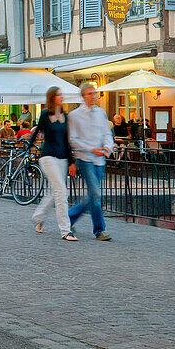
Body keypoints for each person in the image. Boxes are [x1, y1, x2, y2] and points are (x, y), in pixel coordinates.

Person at [26, 87, 76, 241]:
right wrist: (28, 148)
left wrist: (71, 162)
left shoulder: (66, 117)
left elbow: (67, 141)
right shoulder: (45, 114)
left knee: (54, 192)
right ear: (52, 97)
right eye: (59, 95)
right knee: (61, 191)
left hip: (62, 158)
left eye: (62, 95)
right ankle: (65, 230)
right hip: (48, 157)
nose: (62, 97)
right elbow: (36, 132)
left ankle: (38, 217)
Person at [67, 83, 114, 241]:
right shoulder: (75, 115)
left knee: (93, 195)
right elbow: (73, 139)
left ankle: (69, 218)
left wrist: (108, 147)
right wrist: (90, 149)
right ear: (83, 96)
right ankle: (99, 230)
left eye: (94, 93)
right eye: (89, 93)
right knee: (95, 194)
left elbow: (107, 133)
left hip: (100, 159)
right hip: (85, 158)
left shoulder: (101, 113)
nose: (93, 96)